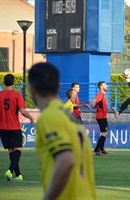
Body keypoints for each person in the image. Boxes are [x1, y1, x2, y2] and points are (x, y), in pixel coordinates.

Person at [28, 62, 96, 200]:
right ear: (58, 87)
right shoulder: (69, 116)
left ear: (31, 89)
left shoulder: (49, 117)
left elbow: (66, 160)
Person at [0, 74, 34, 181]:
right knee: (18, 149)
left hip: (3, 127)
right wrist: (31, 118)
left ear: (4, 83)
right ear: (14, 83)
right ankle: (10, 171)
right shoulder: (17, 95)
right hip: (14, 126)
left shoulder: (0, 95)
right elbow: (23, 111)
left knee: (11, 151)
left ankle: (18, 175)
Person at [88, 81, 109, 155]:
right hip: (101, 117)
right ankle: (96, 150)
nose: (106, 86)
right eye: (105, 85)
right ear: (101, 87)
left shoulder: (102, 95)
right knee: (104, 133)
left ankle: (101, 149)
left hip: (101, 116)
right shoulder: (101, 94)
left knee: (105, 132)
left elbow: (97, 104)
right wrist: (89, 104)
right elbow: (95, 100)